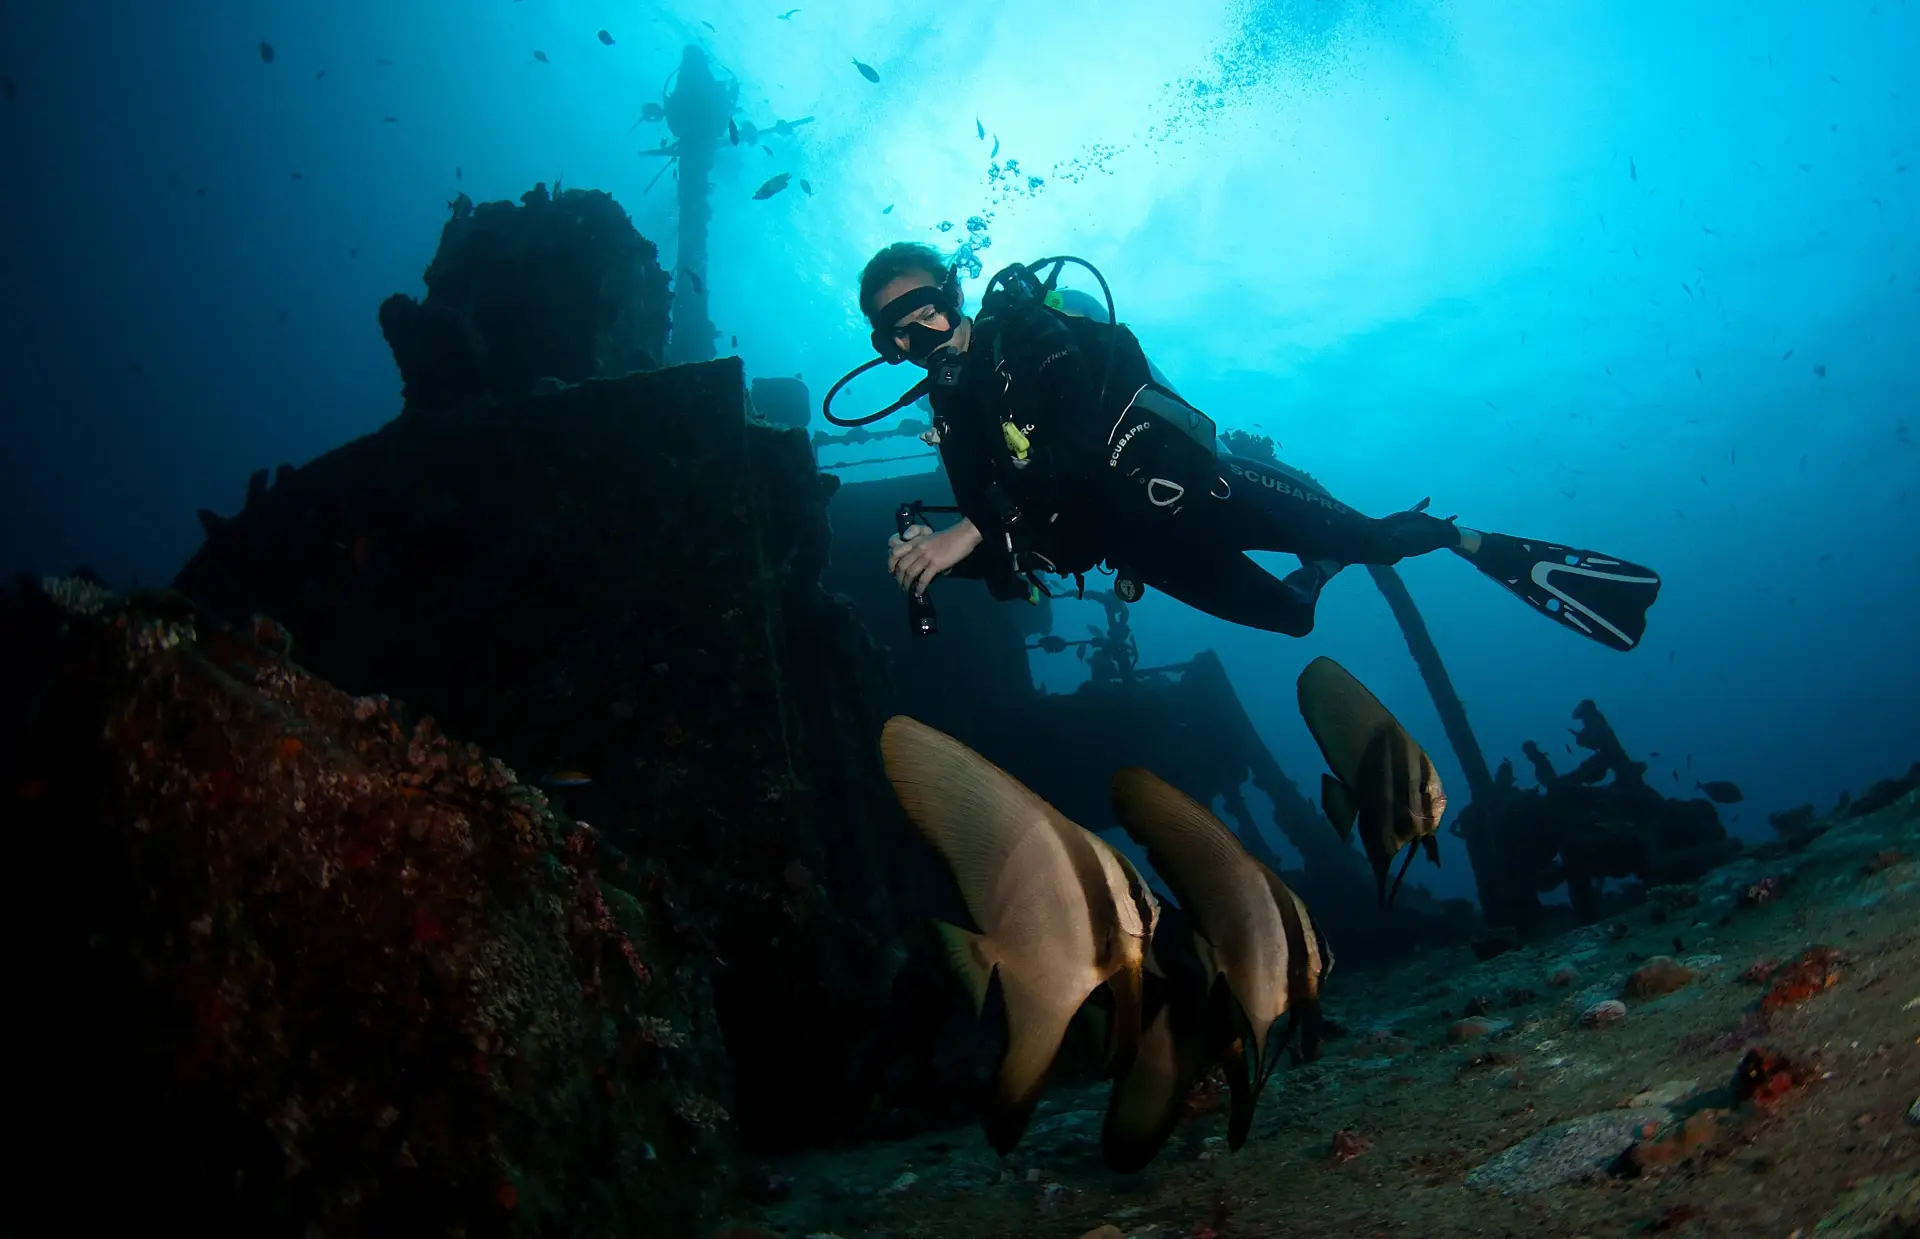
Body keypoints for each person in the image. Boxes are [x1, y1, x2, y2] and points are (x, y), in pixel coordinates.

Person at [860, 242, 1660, 650]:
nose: (912, 337)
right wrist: (943, 558)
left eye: (922, 310)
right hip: (1148, 551)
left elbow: (1074, 436)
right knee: (1291, 623)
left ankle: (1466, 538)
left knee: (1376, 538)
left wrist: (975, 525)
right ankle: (1317, 574)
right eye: (891, 335)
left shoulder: (1027, 331)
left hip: (1202, 487)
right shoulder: (955, 414)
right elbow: (1012, 563)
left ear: (954, 296)